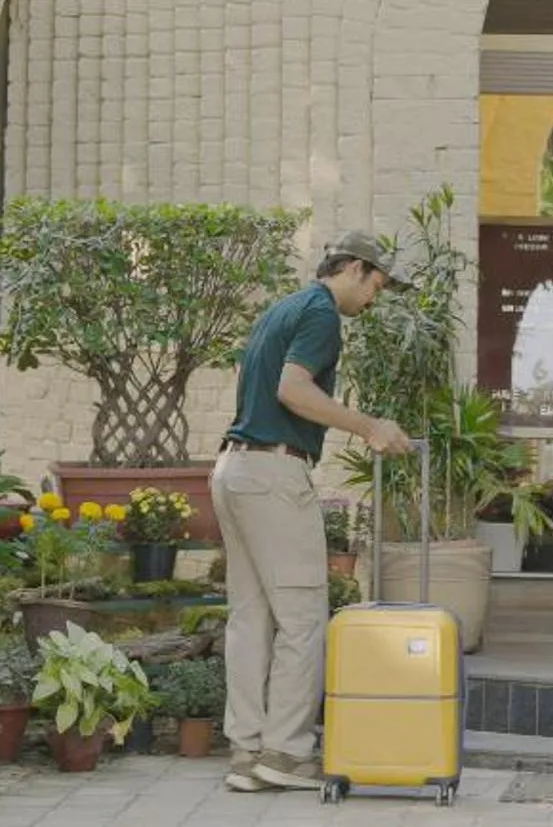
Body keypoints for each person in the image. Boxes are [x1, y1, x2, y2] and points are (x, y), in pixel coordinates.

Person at [213, 230, 417, 793]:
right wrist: (369, 427)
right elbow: (293, 390)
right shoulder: (322, 314)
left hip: (234, 469)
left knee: (250, 617)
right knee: (303, 618)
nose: (374, 299)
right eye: (376, 285)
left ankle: (246, 751)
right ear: (353, 268)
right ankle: (285, 753)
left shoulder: (285, 307)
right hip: (273, 475)